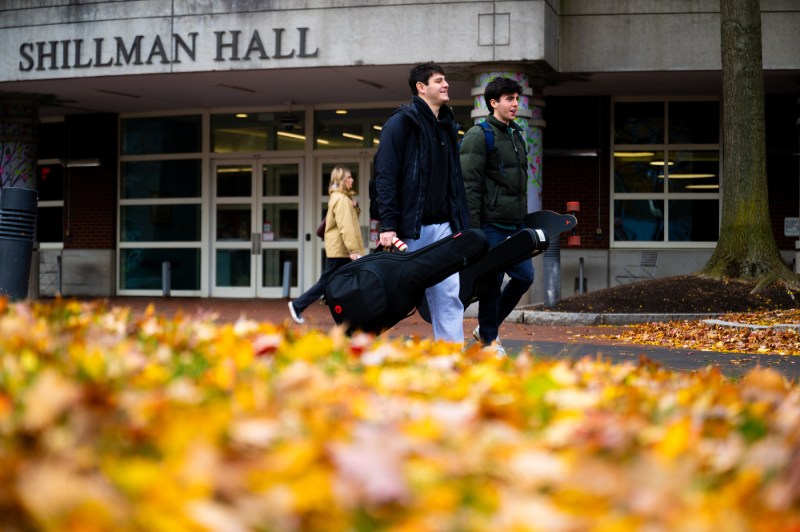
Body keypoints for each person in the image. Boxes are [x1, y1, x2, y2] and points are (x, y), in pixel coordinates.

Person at [370, 62, 470, 344]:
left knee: (448, 295)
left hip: (443, 228)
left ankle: (451, 358)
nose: (446, 84)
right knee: (392, 299)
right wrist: (388, 224)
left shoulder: (447, 126)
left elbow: (454, 183)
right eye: (439, 80)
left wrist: (461, 224)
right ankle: (363, 347)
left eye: (445, 79)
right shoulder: (401, 123)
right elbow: (385, 176)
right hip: (408, 231)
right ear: (421, 87)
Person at [459, 76, 533, 355]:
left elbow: (519, 184)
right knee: (491, 283)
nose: (515, 104)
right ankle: (490, 341)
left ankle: (485, 330)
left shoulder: (516, 135)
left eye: (517, 98)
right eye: (509, 99)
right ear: (493, 103)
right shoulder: (479, 135)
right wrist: (473, 231)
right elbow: (470, 186)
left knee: (524, 277)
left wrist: (523, 219)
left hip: (515, 224)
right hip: (490, 225)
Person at [289, 165, 364, 324]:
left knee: (342, 282)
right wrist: (354, 250)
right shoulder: (342, 199)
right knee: (329, 282)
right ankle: (297, 305)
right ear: (341, 180)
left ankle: (344, 311)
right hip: (342, 250)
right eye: (349, 177)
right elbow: (346, 226)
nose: (352, 180)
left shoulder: (342, 198)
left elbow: (349, 221)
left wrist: (355, 207)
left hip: (340, 249)